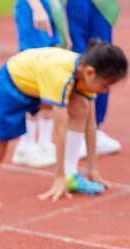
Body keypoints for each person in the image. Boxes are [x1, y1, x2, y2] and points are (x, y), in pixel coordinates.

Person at [0, 41, 127, 201]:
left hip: (36, 87)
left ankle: (70, 175)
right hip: (10, 86)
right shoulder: (60, 75)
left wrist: (93, 170)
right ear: (90, 72)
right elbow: (60, 129)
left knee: (81, 106)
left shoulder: (86, 73)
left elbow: (91, 124)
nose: (104, 91)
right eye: (105, 85)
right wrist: (57, 178)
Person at [11, 0, 69, 168]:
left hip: (53, 7)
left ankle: (44, 141)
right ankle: (25, 144)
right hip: (34, 8)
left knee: (52, 73)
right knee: (34, 72)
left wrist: (64, 28)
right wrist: (36, 7)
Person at [66, 0, 122, 158]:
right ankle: (75, 131)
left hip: (102, 4)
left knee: (104, 59)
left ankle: (95, 128)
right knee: (79, 56)